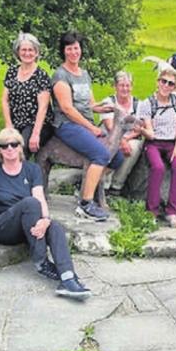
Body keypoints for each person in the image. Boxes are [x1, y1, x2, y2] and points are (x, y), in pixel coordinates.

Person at [0, 128, 91, 300]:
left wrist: (45, 220)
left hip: (28, 225)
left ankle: (68, 279)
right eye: (4, 146)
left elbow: (39, 197)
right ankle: (41, 261)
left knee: (55, 226)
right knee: (29, 203)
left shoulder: (32, 169)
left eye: (14, 144)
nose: (10, 149)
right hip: (2, 227)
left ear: (21, 147)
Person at [51, 31, 124, 220]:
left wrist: (104, 108)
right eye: (69, 48)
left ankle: (85, 187)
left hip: (85, 123)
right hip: (68, 125)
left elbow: (90, 105)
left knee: (117, 157)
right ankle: (85, 204)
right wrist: (92, 128)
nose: (74, 52)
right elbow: (67, 108)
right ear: (63, 51)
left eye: (76, 47)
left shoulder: (84, 74)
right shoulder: (60, 75)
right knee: (100, 154)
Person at [137, 68, 176, 227]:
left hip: (172, 142)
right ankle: (152, 210)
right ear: (158, 82)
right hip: (154, 143)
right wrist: (144, 131)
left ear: (174, 87)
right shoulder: (147, 103)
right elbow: (149, 131)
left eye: (171, 83)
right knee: (157, 167)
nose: (166, 85)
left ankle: (172, 212)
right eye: (163, 81)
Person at [1, 33, 52, 160]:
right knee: (4, 147)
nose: (27, 53)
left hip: (37, 123)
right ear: (18, 52)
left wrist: (35, 134)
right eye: (24, 50)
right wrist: (8, 125)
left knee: (19, 151)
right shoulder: (12, 72)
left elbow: (43, 107)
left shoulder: (41, 75)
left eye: (31, 50)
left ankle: (20, 178)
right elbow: (4, 100)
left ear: (36, 53)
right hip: (17, 121)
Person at [100, 71, 144, 195]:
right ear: (115, 86)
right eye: (121, 85)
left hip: (130, 137)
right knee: (113, 146)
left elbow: (140, 127)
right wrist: (122, 140)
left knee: (134, 147)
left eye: (128, 85)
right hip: (110, 135)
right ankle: (103, 183)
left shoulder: (138, 104)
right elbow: (110, 127)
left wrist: (127, 139)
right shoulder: (108, 102)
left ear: (132, 86)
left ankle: (117, 185)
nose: (125, 89)